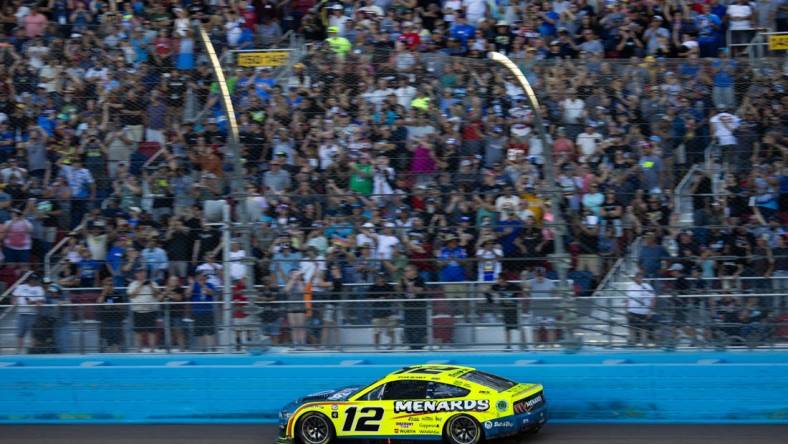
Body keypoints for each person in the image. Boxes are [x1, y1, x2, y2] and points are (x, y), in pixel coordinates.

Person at [486, 273, 524, 350]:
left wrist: (520, 300)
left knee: (519, 326)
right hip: (505, 308)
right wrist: (490, 299)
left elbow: (522, 291)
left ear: (503, 279)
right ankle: (508, 345)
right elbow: (486, 291)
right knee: (507, 327)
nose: (497, 280)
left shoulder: (512, 286)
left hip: (514, 308)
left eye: (498, 278)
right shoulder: (497, 286)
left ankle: (524, 344)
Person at [127, 268, 161, 352]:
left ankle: (152, 349)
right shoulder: (133, 284)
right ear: (136, 274)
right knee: (138, 332)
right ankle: (139, 349)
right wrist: (141, 285)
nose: (142, 274)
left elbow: (157, 295)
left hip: (151, 310)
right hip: (138, 310)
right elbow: (131, 295)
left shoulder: (153, 283)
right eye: (139, 273)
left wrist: (151, 286)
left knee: (152, 331)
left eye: (143, 272)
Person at [12, 274, 46, 353]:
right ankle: (18, 351)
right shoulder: (21, 287)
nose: (33, 281)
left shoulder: (39, 288)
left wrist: (32, 302)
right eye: (32, 279)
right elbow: (14, 296)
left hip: (33, 314)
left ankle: (32, 351)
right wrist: (14, 302)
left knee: (33, 334)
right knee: (20, 333)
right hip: (21, 313)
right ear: (29, 279)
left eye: (35, 279)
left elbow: (41, 301)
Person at [400, 264, 428, 350]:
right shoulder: (403, 281)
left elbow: (419, 291)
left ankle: (419, 345)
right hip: (408, 307)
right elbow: (400, 291)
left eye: (407, 271)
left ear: (414, 271)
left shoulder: (420, 280)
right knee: (408, 327)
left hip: (418, 307)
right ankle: (411, 345)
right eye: (405, 271)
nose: (405, 273)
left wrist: (408, 284)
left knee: (419, 327)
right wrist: (400, 284)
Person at [626, 271, 657, 346]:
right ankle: (632, 344)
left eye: (641, 277)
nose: (640, 279)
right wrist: (626, 311)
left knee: (644, 330)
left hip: (644, 312)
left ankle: (644, 345)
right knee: (632, 329)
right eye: (638, 277)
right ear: (635, 278)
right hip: (632, 311)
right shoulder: (630, 287)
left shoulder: (647, 286)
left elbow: (653, 299)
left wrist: (650, 311)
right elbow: (627, 300)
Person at [189, 272, 218, 351]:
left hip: (208, 311)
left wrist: (203, 285)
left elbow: (213, 293)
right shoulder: (194, 285)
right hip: (197, 312)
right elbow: (187, 294)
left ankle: (212, 348)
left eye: (205, 277)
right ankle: (202, 349)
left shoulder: (210, 285)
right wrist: (192, 284)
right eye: (201, 277)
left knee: (210, 331)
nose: (203, 278)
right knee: (199, 332)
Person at [97, 276, 126, 353]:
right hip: (105, 321)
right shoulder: (102, 295)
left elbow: (121, 306)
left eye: (111, 285)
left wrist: (111, 302)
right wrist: (104, 293)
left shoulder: (118, 295)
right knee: (106, 343)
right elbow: (100, 303)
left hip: (116, 321)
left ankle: (117, 352)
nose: (110, 287)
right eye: (107, 285)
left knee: (116, 343)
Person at [368, 272, 396, 349]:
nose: (381, 279)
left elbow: (393, 296)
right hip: (377, 313)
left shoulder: (389, 286)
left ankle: (392, 345)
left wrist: (385, 298)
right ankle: (376, 346)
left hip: (388, 312)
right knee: (376, 330)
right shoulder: (372, 287)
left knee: (391, 329)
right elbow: (369, 300)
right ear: (376, 279)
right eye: (379, 277)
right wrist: (378, 299)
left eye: (382, 277)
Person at [161, 275, 187, 352]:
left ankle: (182, 348)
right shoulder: (165, 289)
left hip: (177, 313)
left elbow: (179, 298)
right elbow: (159, 298)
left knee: (178, 331)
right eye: (172, 280)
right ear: (168, 281)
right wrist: (166, 292)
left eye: (175, 280)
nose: (174, 282)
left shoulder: (180, 289)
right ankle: (168, 349)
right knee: (168, 331)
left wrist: (169, 292)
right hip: (166, 313)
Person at [284, 269, 308, 347]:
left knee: (301, 326)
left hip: (300, 306)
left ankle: (302, 343)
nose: (295, 275)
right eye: (293, 273)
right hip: (291, 306)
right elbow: (286, 290)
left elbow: (302, 291)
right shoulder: (289, 282)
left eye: (296, 273)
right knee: (293, 326)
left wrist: (298, 280)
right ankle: (296, 343)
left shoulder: (301, 282)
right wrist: (293, 279)